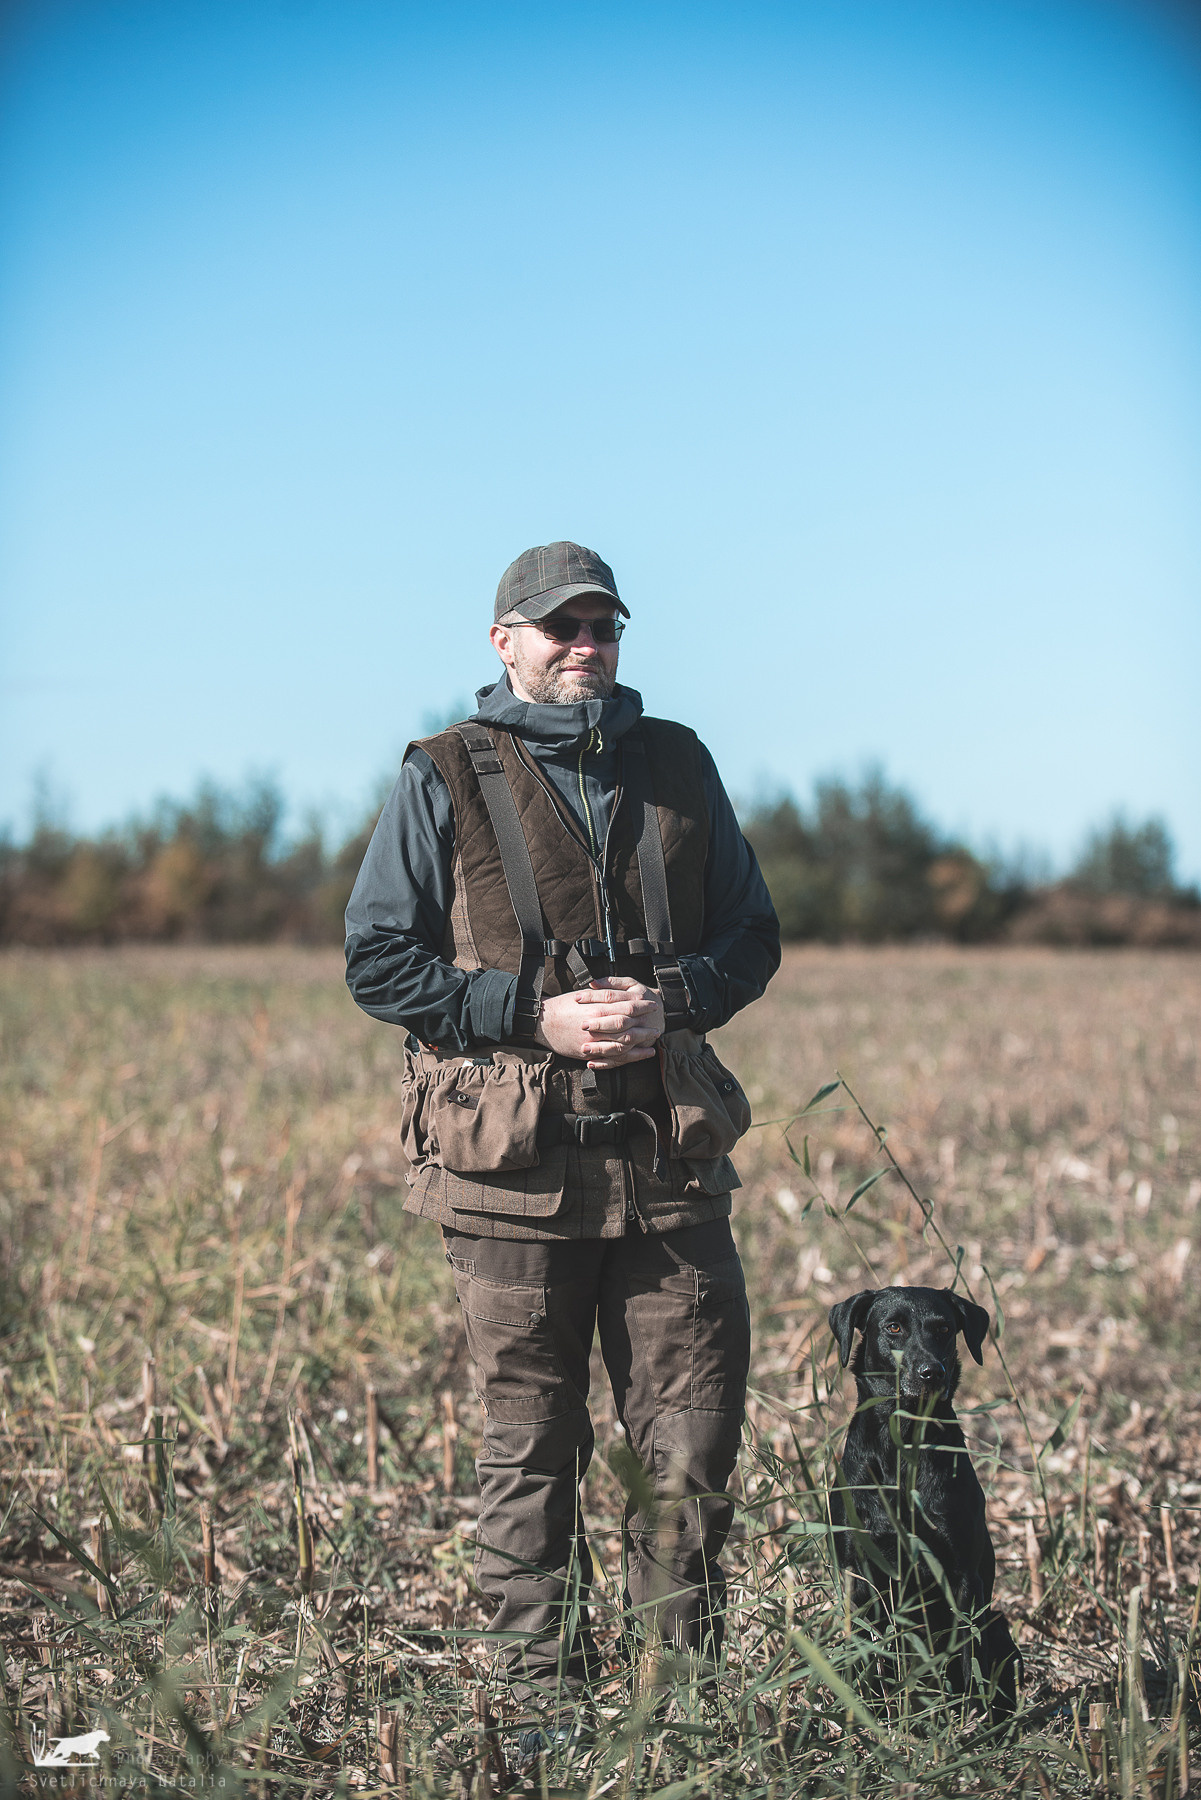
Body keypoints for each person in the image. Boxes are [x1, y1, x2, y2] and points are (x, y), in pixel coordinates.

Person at [345, 541, 780, 1717]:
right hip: (511, 1175)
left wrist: (674, 999)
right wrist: (527, 1014)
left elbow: (751, 935)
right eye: (561, 627)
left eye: (603, 627)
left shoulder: (678, 764)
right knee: (531, 1449)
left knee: (689, 1445)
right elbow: (376, 960)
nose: (586, 645)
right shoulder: (441, 772)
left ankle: (673, 1709)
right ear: (505, 642)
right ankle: (539, 1713)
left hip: (669, 1165)